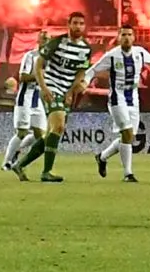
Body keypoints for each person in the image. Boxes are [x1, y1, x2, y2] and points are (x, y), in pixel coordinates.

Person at [86, 25, 150, 182]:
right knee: (127, 133)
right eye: (123, 34)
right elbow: (93, 70)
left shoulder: (140, 53)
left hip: (133, 99)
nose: (126, 37)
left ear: (134, 37)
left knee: (129, 138)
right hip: (117, 98)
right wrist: (84, 82)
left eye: (129, 34)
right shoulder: (112, 56)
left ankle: (102, 157)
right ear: (118, 38)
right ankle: (127, 174)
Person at [8, 12, 94, 183]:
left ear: (84, 26)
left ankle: (20, 164)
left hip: (64, 91)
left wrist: (71, 91)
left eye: (81, 23)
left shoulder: (85, 49)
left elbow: (81, 71)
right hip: (51, 86)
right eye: (75, 23)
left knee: (54, 132)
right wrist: (44, 87)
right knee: (59, 126)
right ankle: (47, 172)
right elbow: (39, 65)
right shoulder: (57, 42)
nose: (78, 26)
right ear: (68, 25)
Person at [0, 45, 48, 177]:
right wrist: (40, 76)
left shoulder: (50, 59)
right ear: (39, 41)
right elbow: (23, 77)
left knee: (42, 136)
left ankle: (18, 150)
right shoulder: (30, 56)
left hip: (36, 99)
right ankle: (7, 162)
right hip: (25, 98)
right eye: (43, 39)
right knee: (22, 132)